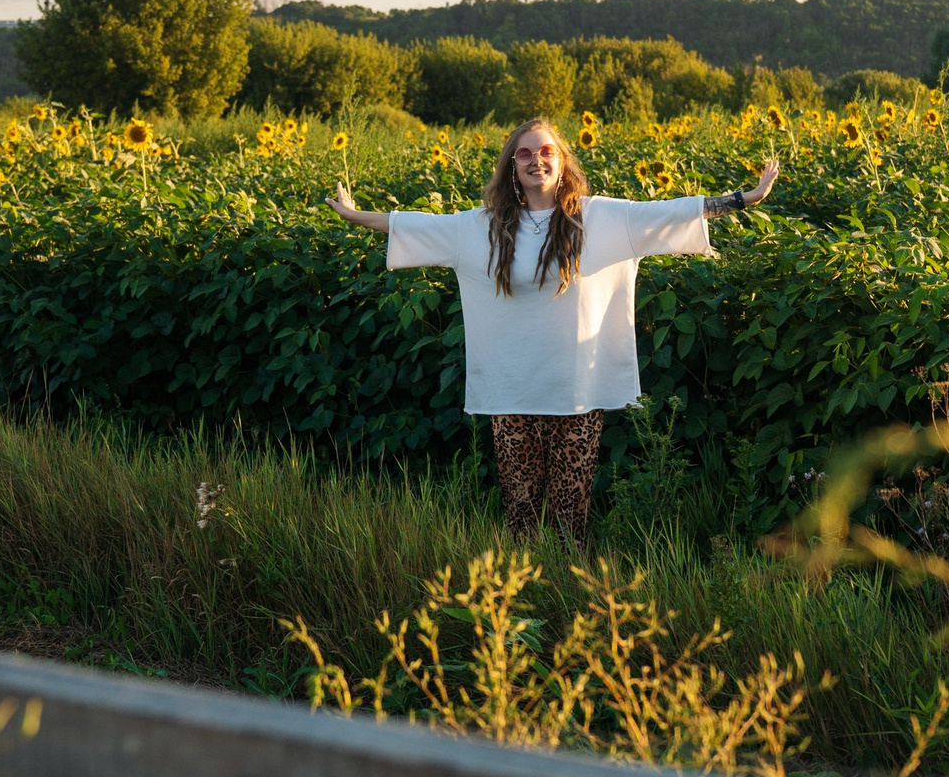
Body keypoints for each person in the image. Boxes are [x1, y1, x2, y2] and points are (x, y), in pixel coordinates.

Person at [330, 118, 779, 545]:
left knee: (571, 511)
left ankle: (569, 594)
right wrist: (354, 215)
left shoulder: (600, 218)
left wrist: (745, 198)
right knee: (520, 509)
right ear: (512, 167)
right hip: (514, 391)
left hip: (576, 391)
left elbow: (669, 213)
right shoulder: (483, 227)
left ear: (562, 162)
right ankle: (523, 593)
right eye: (524, 153)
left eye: (546, 151)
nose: (536, 160)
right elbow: (414, 225)